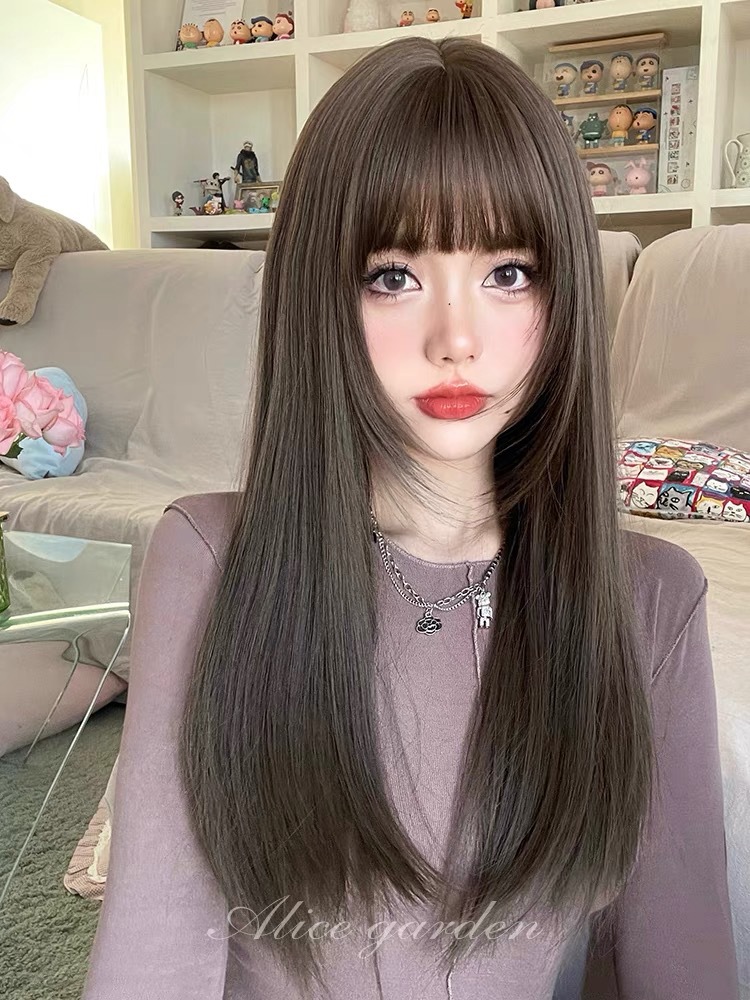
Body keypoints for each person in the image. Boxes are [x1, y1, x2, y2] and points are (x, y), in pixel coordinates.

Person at [82, 36, 739, 1000]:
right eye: (393, 274)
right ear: (319, 294)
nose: (456, 340)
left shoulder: (648, 601)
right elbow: (154, 950)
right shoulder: (212, 561)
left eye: (509, 271)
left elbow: (684, 961)